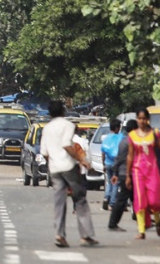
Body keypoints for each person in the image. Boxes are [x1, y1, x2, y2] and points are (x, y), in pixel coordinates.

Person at [40, 100, 98, 248]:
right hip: (68, 167)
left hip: (55, 169)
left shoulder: (46, 128)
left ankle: (59, 234)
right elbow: (67, 145)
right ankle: (85, 236)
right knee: (80, 199)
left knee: (59, 202)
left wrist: (52, 161)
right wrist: (81, 160)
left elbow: (44, 152)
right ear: (63, 111)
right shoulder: (68, 125)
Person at [125, 108, 160, 239]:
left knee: (154, 201)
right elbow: (130, 155)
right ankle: (141, 230)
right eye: (139, 119)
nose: (142, 121)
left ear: (148, 120)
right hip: (137, 171)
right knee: (140, 200)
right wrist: (127, 175)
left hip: (153, 170)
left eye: (144, 119)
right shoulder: (132, 135)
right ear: (137, 119)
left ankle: (157, 221)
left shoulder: (155, 133)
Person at [108, 119, 138, 231]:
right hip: (126, 174)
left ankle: (140, 219)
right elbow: (119, 159)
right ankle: (112, 223)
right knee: (122, 200)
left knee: (136, 197)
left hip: (129, 173)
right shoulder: (129, 142)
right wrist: (115, 173)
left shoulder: (125, 141)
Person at [101, 119, 123, 211]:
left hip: (107, 163)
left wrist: (103, 164)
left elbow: (102, 152)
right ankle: (112, 203)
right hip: (116, 164)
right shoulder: (120, 138)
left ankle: (106, 197)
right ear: (117, 128)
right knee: (115, 184)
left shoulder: (106, 138)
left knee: (109, 182)